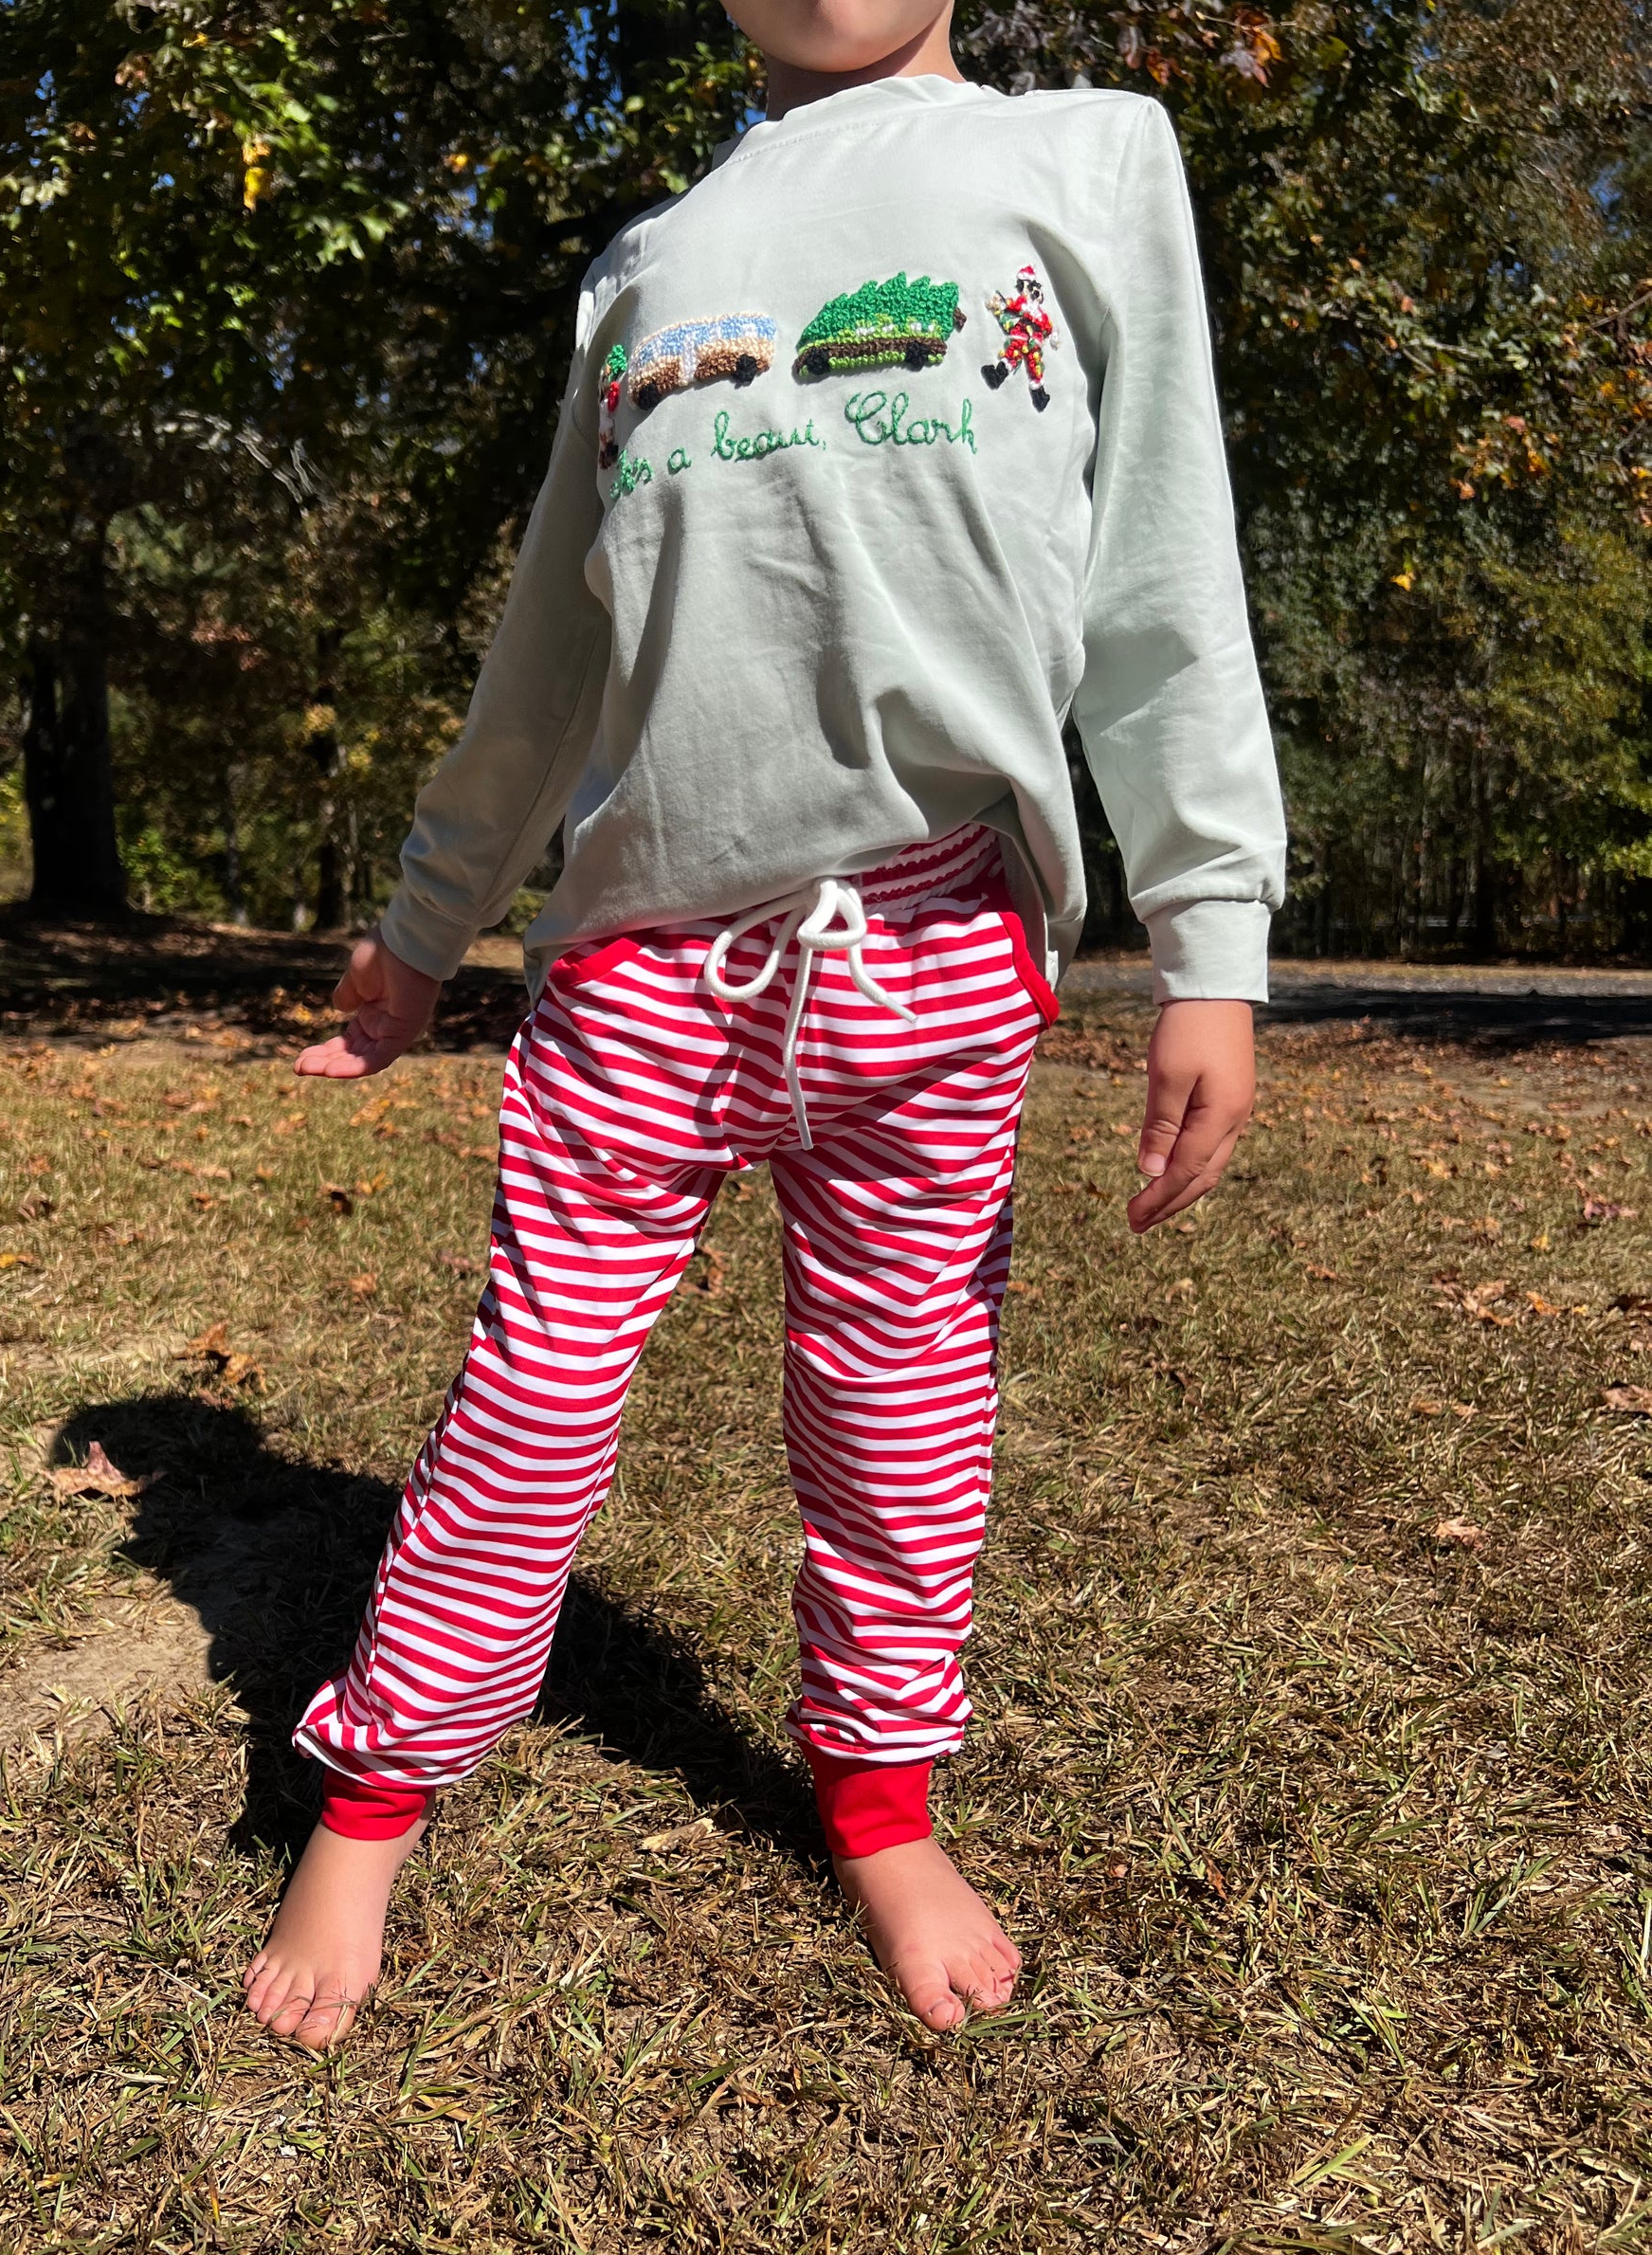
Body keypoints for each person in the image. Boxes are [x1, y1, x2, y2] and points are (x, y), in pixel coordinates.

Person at [244, 0, 1282, 2048]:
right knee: (529, 1404)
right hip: (641, 956)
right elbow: (549, 648)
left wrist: (1211, 936)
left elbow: (1160, 566)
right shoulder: (645, 264)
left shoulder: (1084, 162)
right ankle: (373, 1794)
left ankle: (880, 1801)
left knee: (904, 1414)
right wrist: (427, 924)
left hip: (939, 940)